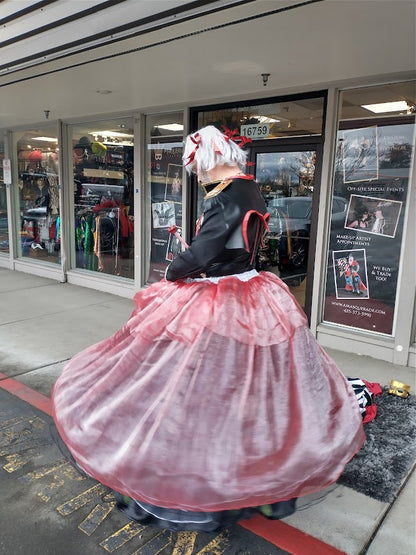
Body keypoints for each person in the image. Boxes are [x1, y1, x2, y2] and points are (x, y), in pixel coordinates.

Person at [52, 125, 365, 533]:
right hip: (254, 287)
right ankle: (267, 477)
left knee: (195, 382)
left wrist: (174, 270)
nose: (197, 177)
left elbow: (206, 250)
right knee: (255, 384)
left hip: (220, 294)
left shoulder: (226, 196)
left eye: (198, 168)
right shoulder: (252, 189)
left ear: (210, 162)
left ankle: (196, 476)